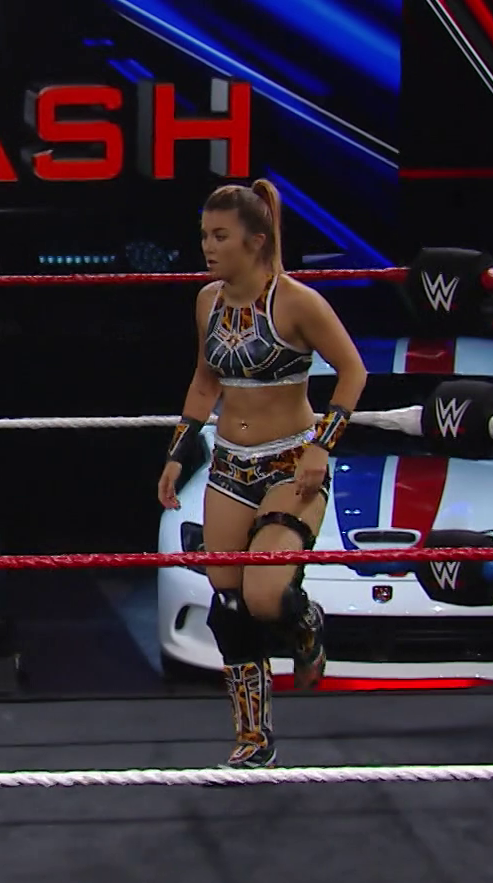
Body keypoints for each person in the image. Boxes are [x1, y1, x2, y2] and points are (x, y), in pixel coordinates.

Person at [157, 180, 367, 769]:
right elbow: (205, 381)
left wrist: (322, 446)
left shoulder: (297, 302)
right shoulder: (207, 301)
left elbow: (353, 372)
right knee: (228, 605)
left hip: (290, 464)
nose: (208, 247)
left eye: (220, 236)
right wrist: (177, 453)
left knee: (267, 595)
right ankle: (254, 738)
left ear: (255, 240)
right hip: (229, 462)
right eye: (204, 235)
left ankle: (306, 622)